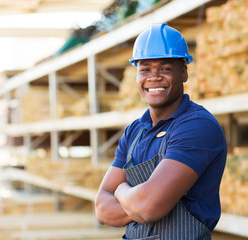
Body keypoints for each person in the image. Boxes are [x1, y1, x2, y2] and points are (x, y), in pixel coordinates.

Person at [95, 23, 227, 240]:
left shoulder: (196, 126)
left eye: (165, 69)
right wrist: (137, 203)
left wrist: (120, 190)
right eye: (145, 69)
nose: (153, 77)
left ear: (183, 73)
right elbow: (101, 208)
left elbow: (148, 208)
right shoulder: (134, 132)